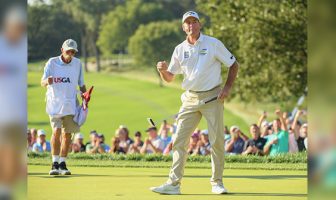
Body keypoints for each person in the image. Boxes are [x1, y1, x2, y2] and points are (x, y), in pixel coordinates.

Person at [150, 11, 239, 195]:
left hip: (213, 97)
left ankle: (217, 183)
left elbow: (233, 64)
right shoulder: (180, 49)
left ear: (199, 24)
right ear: (183, 27)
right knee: (179, 141)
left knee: (216, 141)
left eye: (194, 22)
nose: (191, 25)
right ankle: (174, 184)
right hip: (190, 98)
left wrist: (227, 88)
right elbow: (170, 77)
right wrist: (162, 70)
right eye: (187, 23)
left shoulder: (213, 44)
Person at [41, 38, 86, 175]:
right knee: (56, 131)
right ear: (62, 50)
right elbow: (42, 82)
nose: (70, 54)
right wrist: (46, 81)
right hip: (54, 103)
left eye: (73, 52)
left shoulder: (78, 64)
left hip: (70, 103)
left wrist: (85, 96)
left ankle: (62, 163)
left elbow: (81, 83)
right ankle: (54, 163)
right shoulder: (52, 62)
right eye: (68, 51)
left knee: (68, 135)